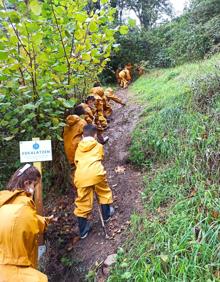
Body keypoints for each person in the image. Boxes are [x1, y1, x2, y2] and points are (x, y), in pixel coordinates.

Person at [0, 164, 53, 282]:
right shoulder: (24, 207)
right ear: (27, 183)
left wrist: (46, 220)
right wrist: (45, 221)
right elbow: (27, 221)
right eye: (35, 185)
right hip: (16, 266)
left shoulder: (5, 202)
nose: (35, 189)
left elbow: (28, 221)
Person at [74, 124, 114, 239]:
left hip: (81, 176)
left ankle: (83, 230)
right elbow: (101, 157)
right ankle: (106, 215)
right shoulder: (98, 145)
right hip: (96, 173)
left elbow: (76, 162)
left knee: (82, 200)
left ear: (82, 135)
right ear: (95, 135)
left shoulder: (78, 148)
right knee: (103, 191)